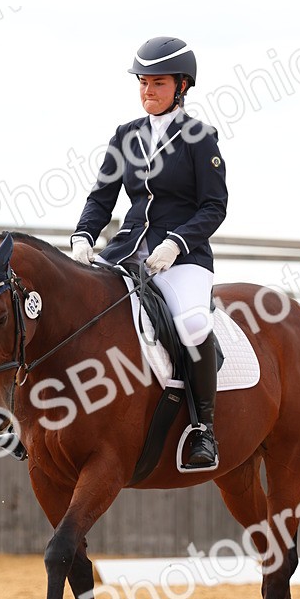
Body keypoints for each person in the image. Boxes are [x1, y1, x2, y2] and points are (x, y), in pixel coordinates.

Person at [70, 36, 227, 470]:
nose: (147, 92)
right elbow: (102, 197)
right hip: (127, 249)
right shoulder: (126, 136)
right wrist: (83, 236)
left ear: (181, 86)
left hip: (183, 255)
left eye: (157, 84)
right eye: (142, 83)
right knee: (74, 307)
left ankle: (203, 429)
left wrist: (177, 243)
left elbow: (214, 207)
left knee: (194, 323)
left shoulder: (201, 138)